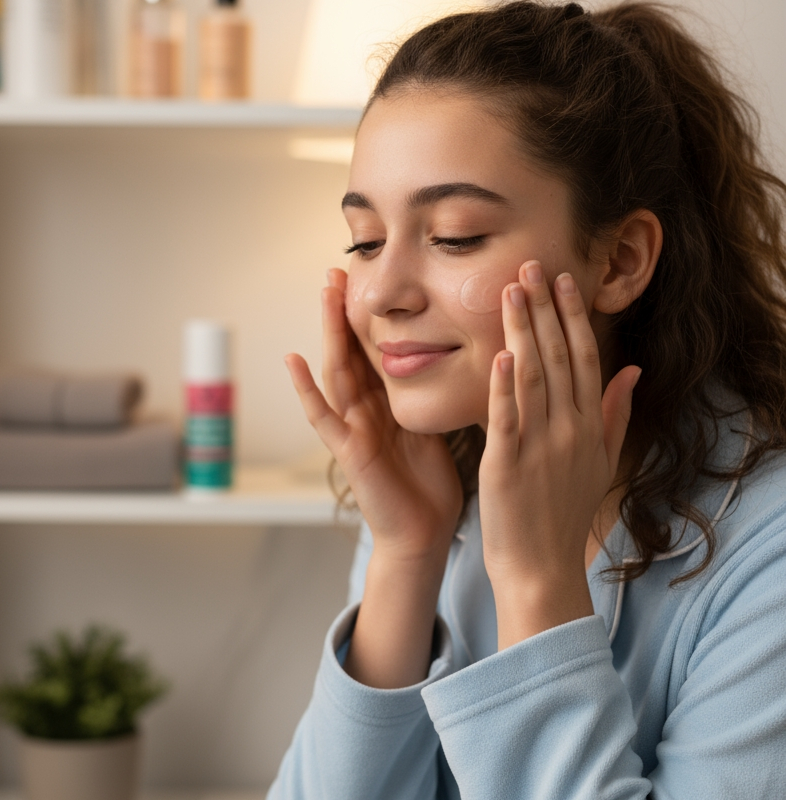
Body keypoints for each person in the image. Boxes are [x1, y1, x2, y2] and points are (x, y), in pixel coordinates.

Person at [272, 2, 786, 797]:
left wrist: (539, 584)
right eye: (365, 240)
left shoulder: (768, 547)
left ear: (619, 260)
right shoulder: (437, 487)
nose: (380, 292)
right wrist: (407, 553)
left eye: (454, 236)